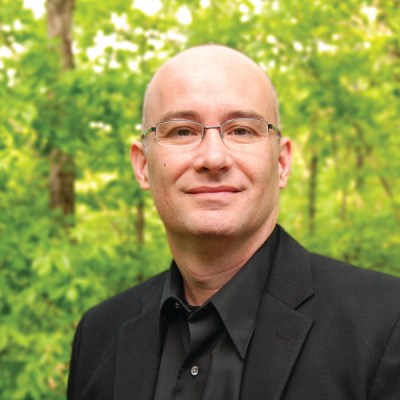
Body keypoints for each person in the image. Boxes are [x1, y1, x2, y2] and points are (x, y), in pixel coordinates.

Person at [67, 45, 400, 400]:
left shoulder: (386, 323)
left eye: (241, 130)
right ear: (143, 166)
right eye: (182, 131)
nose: (213, 158)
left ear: (282, 163)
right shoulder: (99, 335)